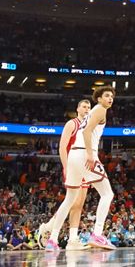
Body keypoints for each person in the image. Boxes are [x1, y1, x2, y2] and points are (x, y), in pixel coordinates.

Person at [44, 87, 116, 252]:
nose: (110, 99)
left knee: (69, 199)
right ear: (98, 98)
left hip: (74, 157)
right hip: (84, 154)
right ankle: (97, 234)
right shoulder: (99, 111)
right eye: (107, 96)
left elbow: (83, 131)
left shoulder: (91, 112)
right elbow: (87, 132)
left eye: (112, 96)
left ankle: (53, 240)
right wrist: (91, 155)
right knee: (107, 194)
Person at [37, 99, 92, 250]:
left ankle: (72, 239)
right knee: (71, 201)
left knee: (79, 204)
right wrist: (66, 166)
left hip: (85, 166)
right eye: (84, 107)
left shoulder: (89, 126)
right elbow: (62, 147)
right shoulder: (72, 124)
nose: (87, 109)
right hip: (73, 164)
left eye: (89, 107)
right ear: (78, 109)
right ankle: (50, 229)